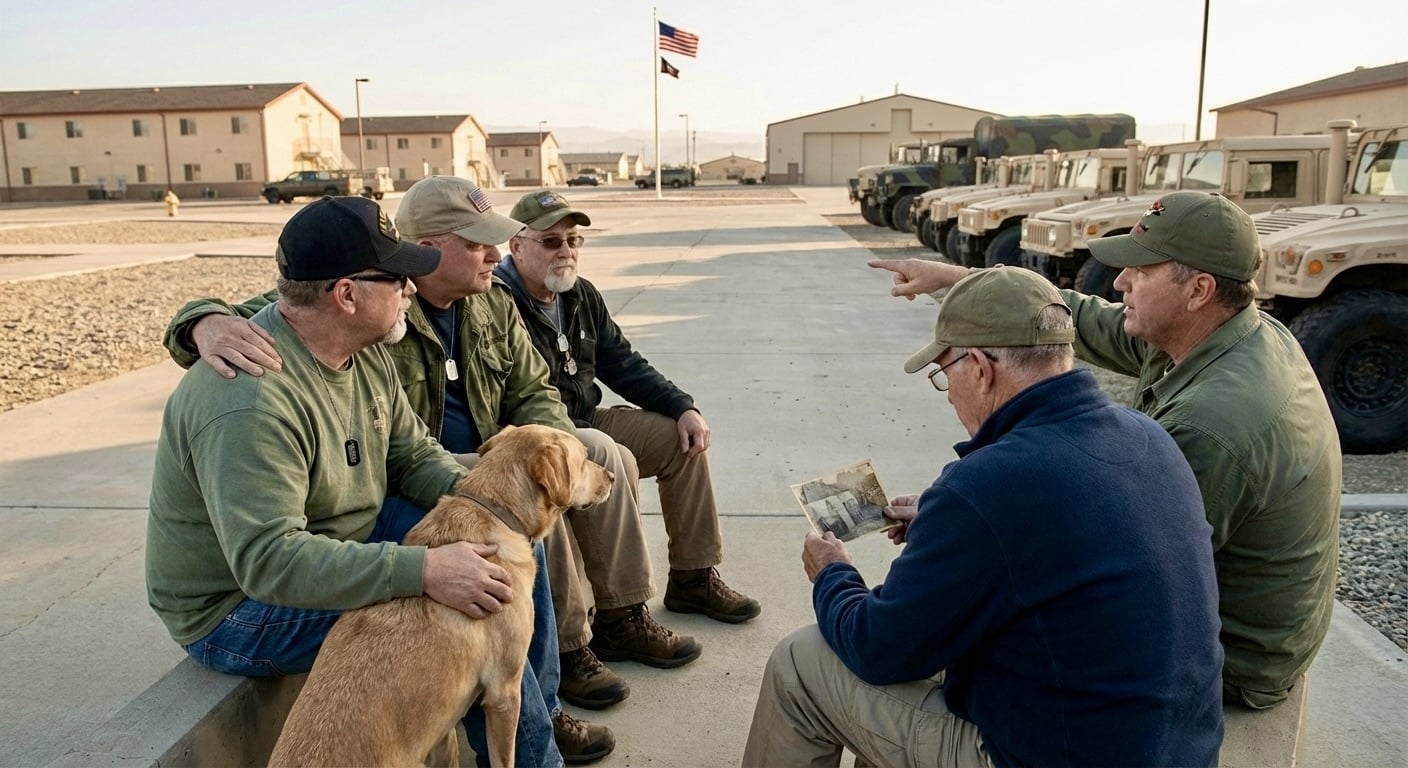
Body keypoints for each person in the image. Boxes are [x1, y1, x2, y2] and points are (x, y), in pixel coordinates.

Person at [164, 179, 694, 760]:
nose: (410, 290)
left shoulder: (359, 346)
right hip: (241, 608)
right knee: (473, 598)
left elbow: (413, 454)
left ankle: (535, 717)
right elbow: (270, 562)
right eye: (397, 279)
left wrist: (496, 511)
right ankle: (534, 752)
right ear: (347, 295)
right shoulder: (251, 400)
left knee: (508, 548)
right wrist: (425, 569)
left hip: (344, 534)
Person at [869, 190, 1341, 710]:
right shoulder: (1228, 330)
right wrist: (960, 280)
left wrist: (964, 525)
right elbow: (1084, 319)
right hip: (1251, 630)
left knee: (954, 629)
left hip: (1234, 662)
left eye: (1141, 270)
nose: (1120, 282)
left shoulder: (1207, 429)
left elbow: (1107, 550)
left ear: (1199, 290)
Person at [743, 265, 1224, 767]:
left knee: (801, 662)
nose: (949, 393)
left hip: (1057, 755)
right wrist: (949, 524)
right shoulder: (1149, 437)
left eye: (943, 374)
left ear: (978, 367)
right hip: (1173, 748)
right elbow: (1057, 533)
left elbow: (876, 647)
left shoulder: (986, 485)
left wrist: (832, 573)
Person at [498, 190, 761, 635]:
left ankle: (693, 577)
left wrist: (682, 406)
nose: (566, 251)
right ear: (517, 246)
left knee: (680, 440)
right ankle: (620, 611)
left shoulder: (580, 295)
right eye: (551, 241)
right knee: (611, 454)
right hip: (540, 435)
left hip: (587, 418)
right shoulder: (498, 301)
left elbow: (623, 363)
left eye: (573, 240)